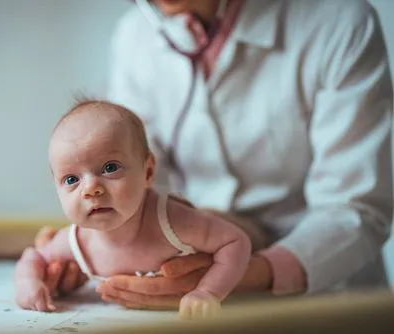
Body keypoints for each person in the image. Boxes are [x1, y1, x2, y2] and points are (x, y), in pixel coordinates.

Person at [36, 0, 394, 310]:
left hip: (327, 291)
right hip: (185, 281)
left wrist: (236, 273)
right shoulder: (135, 36)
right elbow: (129, 176)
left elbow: (356, 206)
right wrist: (98, 248)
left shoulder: (338, 22)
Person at [15, 100, 252, 319]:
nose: (90, 189)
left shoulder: (173, 221)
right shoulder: (76, 240)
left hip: (232, 222)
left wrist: (208, 291)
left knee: (251, 231)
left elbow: (235, 241)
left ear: (148, 172)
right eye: (70, 179)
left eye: (109, 168)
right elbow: (33, 256)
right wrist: (29, 282)